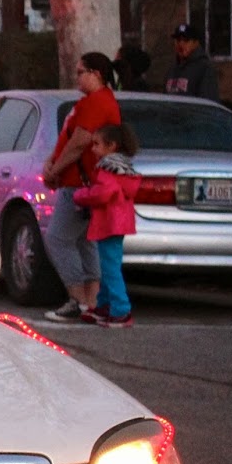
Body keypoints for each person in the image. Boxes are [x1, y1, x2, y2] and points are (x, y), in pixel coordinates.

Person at [40, 51, 122, 322]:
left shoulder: (98, 102)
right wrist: (52, 161)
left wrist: (57, 168)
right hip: (80, 182)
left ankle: (77, 299)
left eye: (80, 72)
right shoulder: (90, 102)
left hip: (80, 183)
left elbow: (79, 143)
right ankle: (91, 301)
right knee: (85, 242)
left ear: (96, 74)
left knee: (59, 239)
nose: (76, 77)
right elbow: (69, 137)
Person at [71, 123, 141, 328]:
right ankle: (104, 306)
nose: (93, 149)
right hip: (119, 222)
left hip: (109, 222)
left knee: (110, 269)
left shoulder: (107, 168)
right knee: (109, 265)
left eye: (96, 144)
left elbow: (103, 193)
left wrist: (81, 195)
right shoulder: (124, 169)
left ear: (111, 146)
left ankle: (121, 310)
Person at [164, 23, 220, 101]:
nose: (181, 44)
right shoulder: (172, 69)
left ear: (195, 43)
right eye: (178, 40)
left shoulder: (204, 68)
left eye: (186, 40)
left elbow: (208, 102)